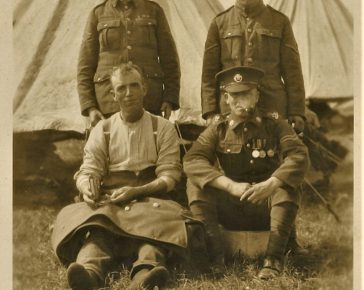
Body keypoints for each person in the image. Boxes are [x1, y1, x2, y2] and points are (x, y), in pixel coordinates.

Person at [51, 63, 204, 290]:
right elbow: (88, 169)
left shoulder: (162, 128)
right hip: (112, 200)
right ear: (113, 95)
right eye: (121, 88)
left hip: (152, 199)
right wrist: (87, 188)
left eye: (134, 86)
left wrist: (138, 191)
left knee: (153, 235)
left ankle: (144, 277)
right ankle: (88, 275)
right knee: (98, 233)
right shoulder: (102, 129)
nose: (129, 93)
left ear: (145, 89)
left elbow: (170, 175)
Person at [184, 66, 309, 279]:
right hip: (231, 205)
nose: (241, 100)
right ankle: (216, 258)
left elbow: (298, 155)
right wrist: (229, 185)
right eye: (235, 94)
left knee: (287, 186)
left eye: (247, 93)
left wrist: (271, 183)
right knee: (195, 186)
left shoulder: (275, 125)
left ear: (257, 95)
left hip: (267, 208)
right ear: (226, 98)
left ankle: (273, 260)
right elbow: (192, 159)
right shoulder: (219, 129)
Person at [201, 0, 305, 133]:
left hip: (270, 107)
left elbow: (293, 72)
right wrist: (210, 112)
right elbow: (208, 75)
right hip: (231, 108)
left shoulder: (280, 21)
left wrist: (296, 111)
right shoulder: (220, 23)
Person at [78, 0, 180, 126]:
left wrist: (169, 99)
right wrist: (90, 107)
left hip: (149, 100)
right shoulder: (98, 13)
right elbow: (85, 66)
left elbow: (170, 60)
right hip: (108, 103)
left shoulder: (154, 11)